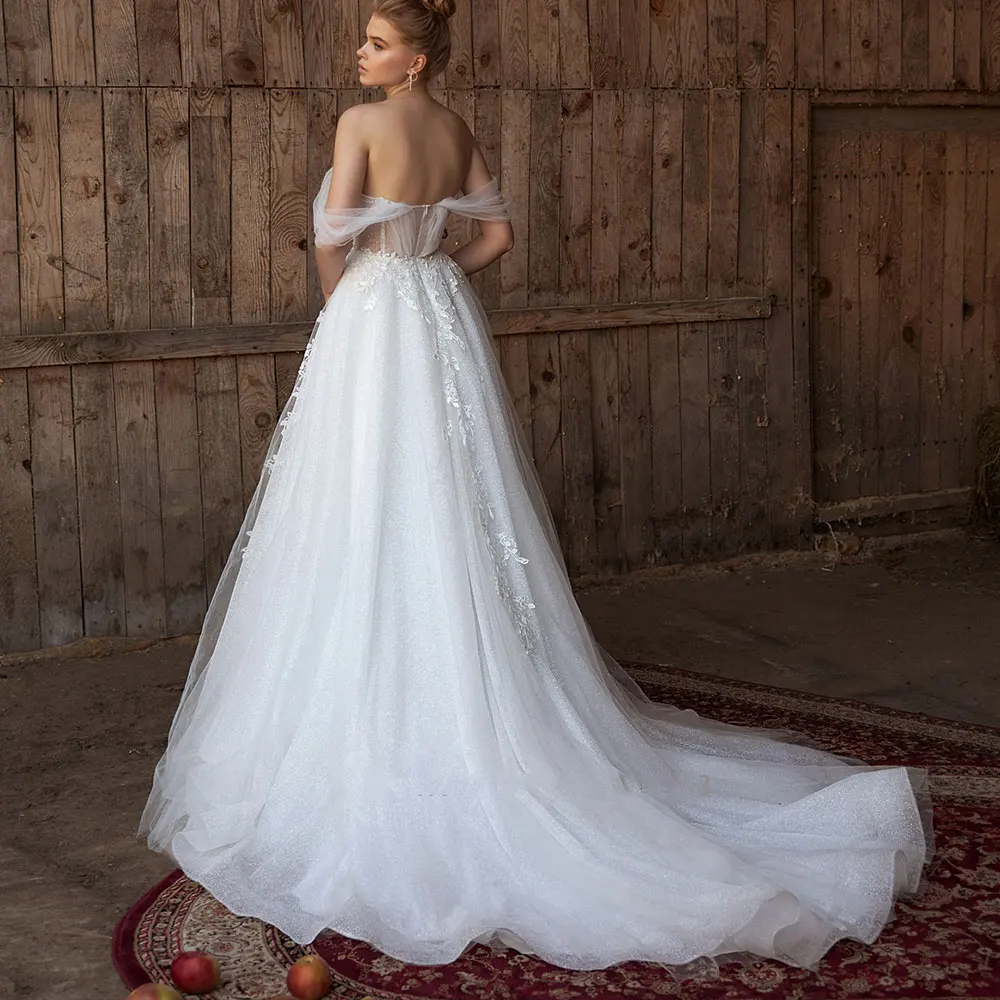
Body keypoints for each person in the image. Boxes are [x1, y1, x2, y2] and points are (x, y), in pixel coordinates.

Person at [138, 0, 933, 976]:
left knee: (360, 499)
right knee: (450, 496)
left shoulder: (360, 124)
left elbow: (332, 236)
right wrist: (438, 270)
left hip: (375, 315)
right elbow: (499, 235)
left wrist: (350, 306)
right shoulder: (454, 126)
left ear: (414, 58)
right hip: (438, 312)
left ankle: (378, 682)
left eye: (378, 41)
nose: (362, 52)